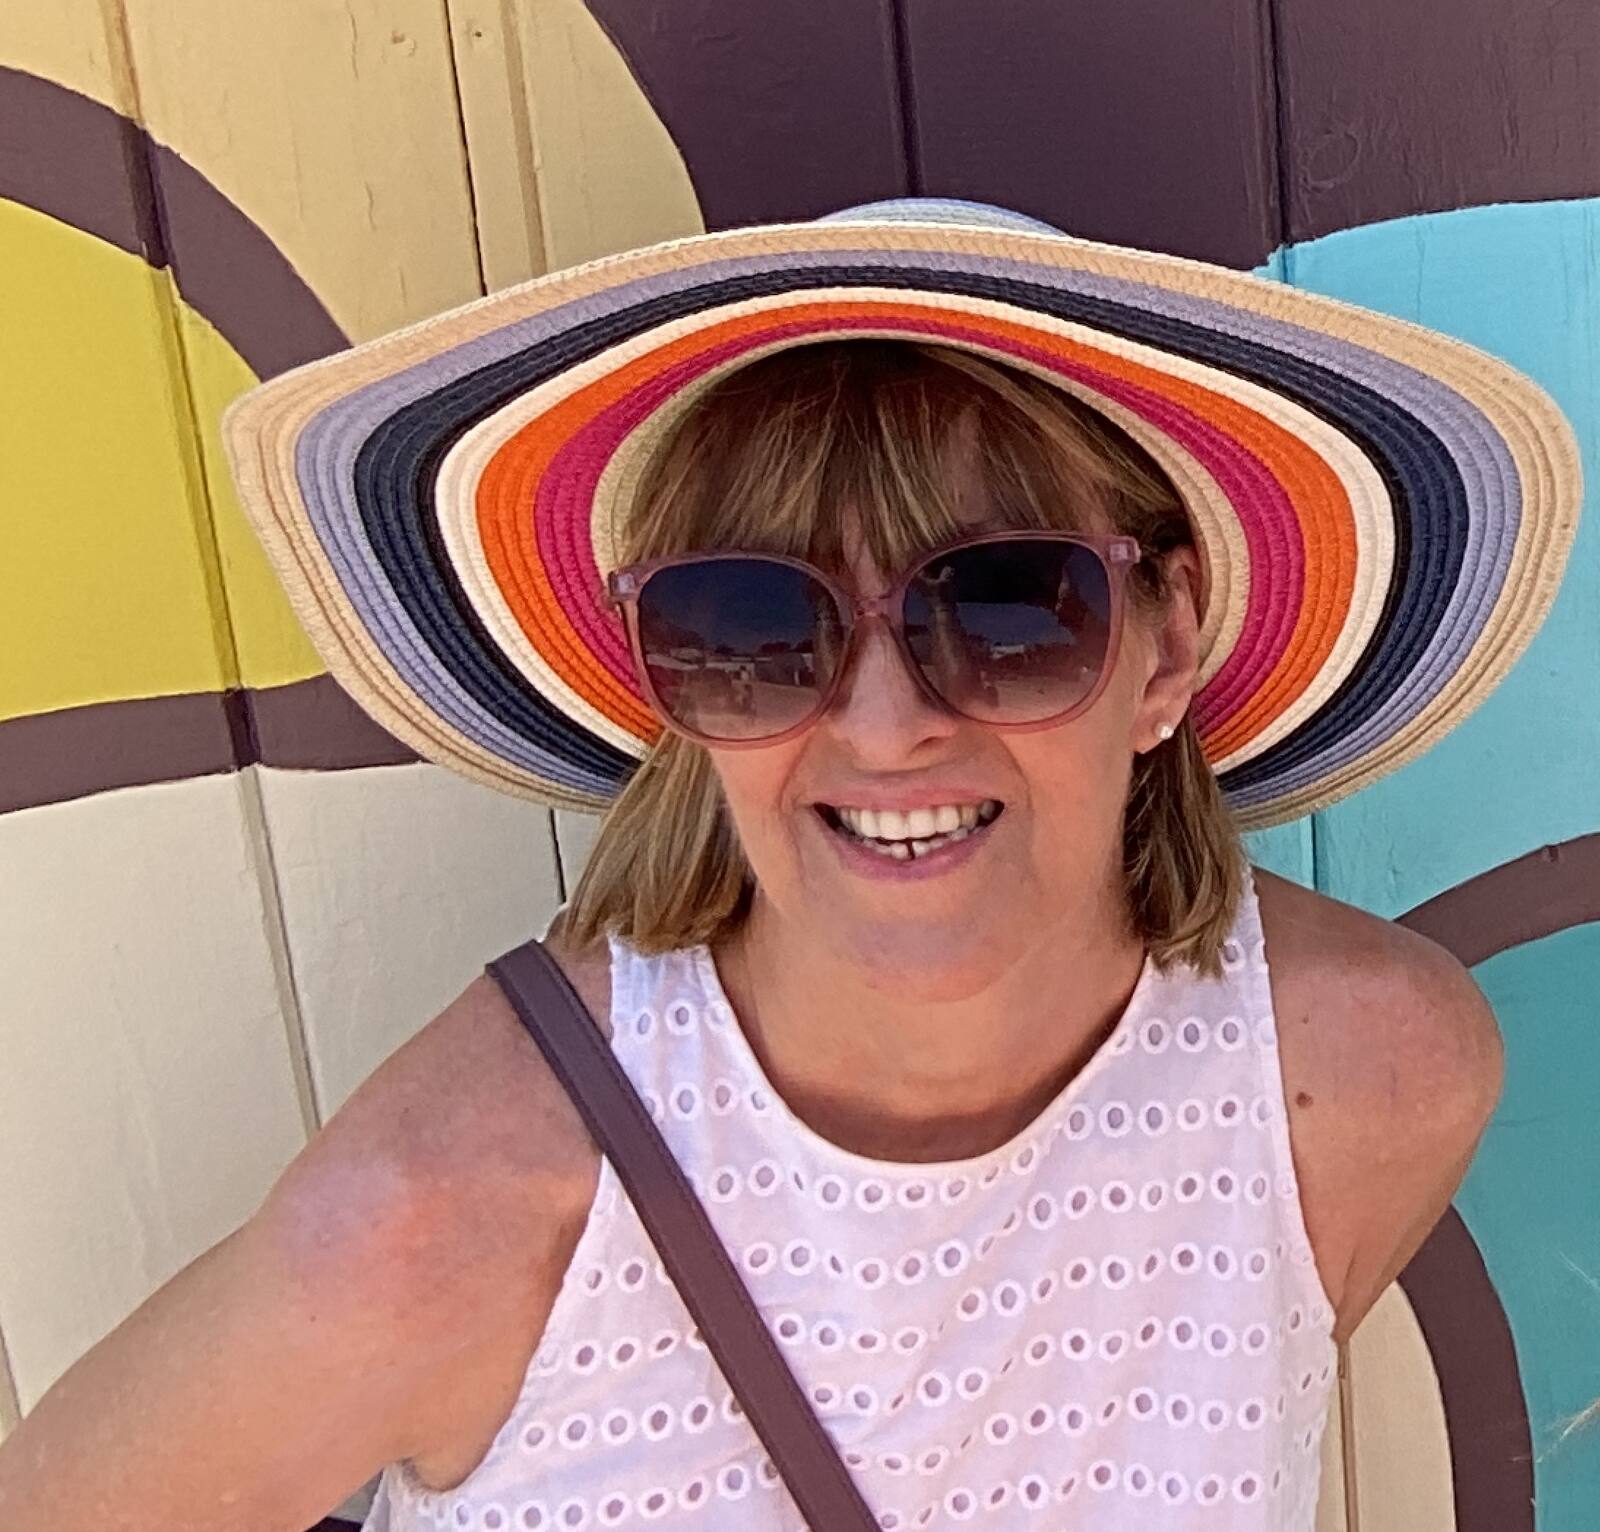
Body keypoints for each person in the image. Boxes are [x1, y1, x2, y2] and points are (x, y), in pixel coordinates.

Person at [0, 197, 1578, 1531]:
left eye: (1012, 609)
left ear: (1167, 648)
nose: (884, 727)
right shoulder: (447, 1222)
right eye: (753, 628)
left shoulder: (1362, 1081)